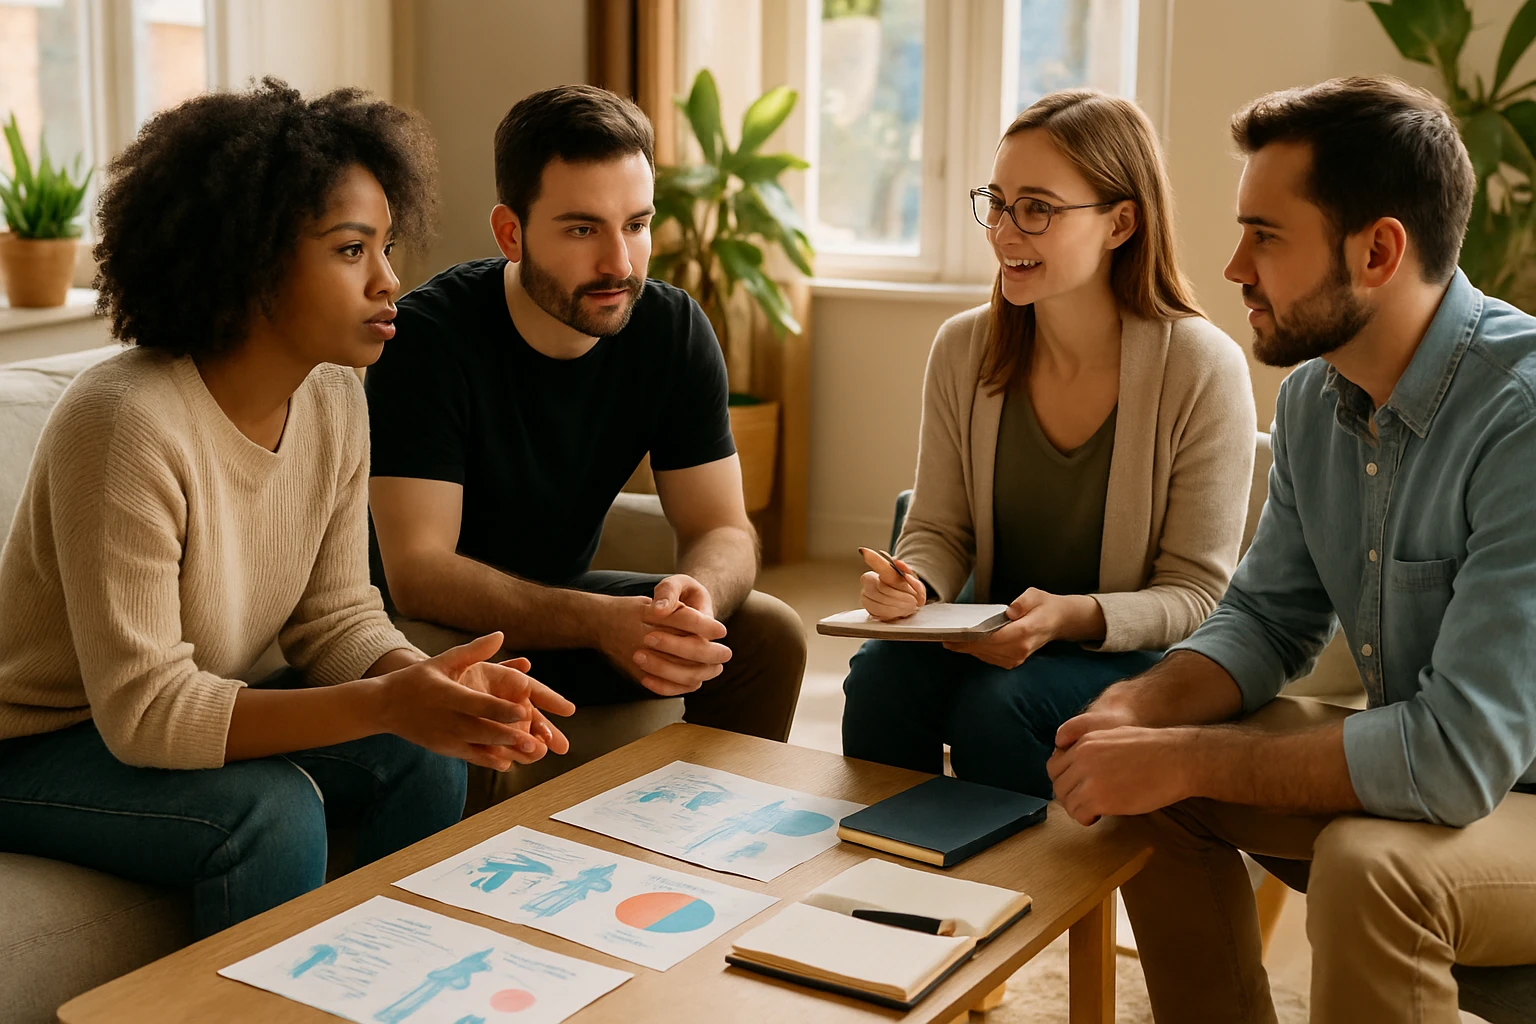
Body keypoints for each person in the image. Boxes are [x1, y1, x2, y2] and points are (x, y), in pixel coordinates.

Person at [0, 79, 573, 939]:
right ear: (250, 260)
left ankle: (397, 984)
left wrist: (426, 689)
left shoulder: (338, 396)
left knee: (424, 755)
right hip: (38, 745)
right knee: (274, 814)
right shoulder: (124, 422)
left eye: (386, 245)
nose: (390, 281)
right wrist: (385, 704)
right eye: (352, 251)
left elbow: (334, 617)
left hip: (183, 702)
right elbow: (148, 710)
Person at [1046, 76, 1536, 1023]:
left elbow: (1456, 758)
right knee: (1144, 772)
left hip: (1516, 788)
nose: (1233, 267)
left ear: (1379, 250)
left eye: (1265, 236)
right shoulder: (1316, 397)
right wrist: (1137, 708)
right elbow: (1266, 617)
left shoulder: (1521, 421)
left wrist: (1188, 757)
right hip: (1455, 766)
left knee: (1368, 868)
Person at [840, 89, 1255, 798]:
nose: (1004, 231)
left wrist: (1074, 614)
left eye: (1038, 208)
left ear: (1121, 223)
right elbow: (939, 526)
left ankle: (1018, 904)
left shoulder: (1201, 367)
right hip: (995, 630)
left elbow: (1196, 595)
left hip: (1131, 649)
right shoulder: (963, 347)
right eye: (996, 202)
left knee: (1000, 710)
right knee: (879, 677)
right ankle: (885, 889)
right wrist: (916, 583)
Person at [366, 85, 805, 743]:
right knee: (461, 680)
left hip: (566, 601)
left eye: (636, 224)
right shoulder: (427, 341)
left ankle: (705, 837)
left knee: (767, 632)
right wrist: (600, 621)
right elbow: (420, 572)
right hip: (428, 630)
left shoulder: (671, 330)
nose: (619, 264)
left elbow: (724, 528)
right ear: (511, 233)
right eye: (582, 229)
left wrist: (697, 597)